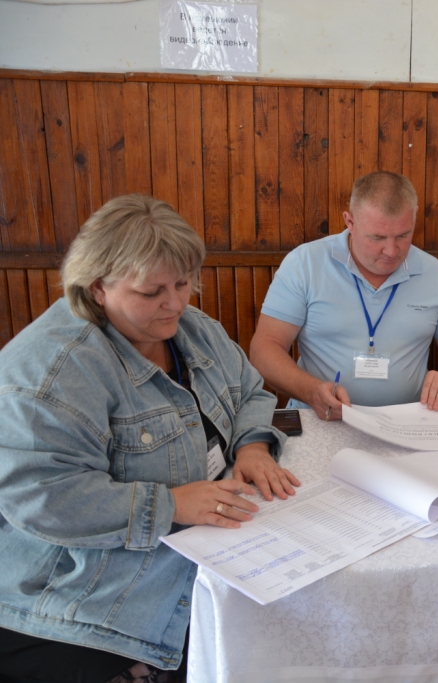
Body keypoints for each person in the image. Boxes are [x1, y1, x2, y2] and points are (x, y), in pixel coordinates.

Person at [0, 195, 299, 683]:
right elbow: (43, 498)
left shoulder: (193, 330)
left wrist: (252, 445)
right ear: (97, 287)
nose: (176, 303)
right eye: (151, 291)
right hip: (80, 598)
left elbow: (250, 390)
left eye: (183, 283)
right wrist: (171, 504)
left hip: (196, 554)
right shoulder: (53, 371)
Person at [250, 171, 438, 417]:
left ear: (414, 217)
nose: (391, 251)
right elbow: (264, 348)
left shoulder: (433, 273)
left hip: (407, 421)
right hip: (320, 418)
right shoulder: (304, 264)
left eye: (403, 235)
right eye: (377, 237)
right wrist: (311, 391)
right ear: (350, 222)